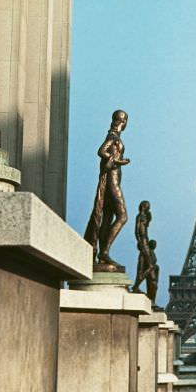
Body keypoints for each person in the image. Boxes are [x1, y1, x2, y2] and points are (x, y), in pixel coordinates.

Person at [83, 110, 131, 270]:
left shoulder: (115, 136)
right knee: (122, 216)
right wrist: (118, 161)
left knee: (107, 217)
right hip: (112, 180)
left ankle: (103, 253)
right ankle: (104, 251)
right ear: (123, 122)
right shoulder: (113, 136)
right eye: (124, 120)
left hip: (114, 178)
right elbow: (101, 151)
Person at [132, 201, 160, 302]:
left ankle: (137, 284)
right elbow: (136, 230)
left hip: (146, 241)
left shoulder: (144, 217)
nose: (149, 208)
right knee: (151, 266)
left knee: (150, 265)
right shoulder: (140, 216)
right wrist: (139, 242)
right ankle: (136, 285)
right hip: (143, 242)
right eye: (148, 206)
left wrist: (149, 220)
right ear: (143, 207)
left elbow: (143, 228)